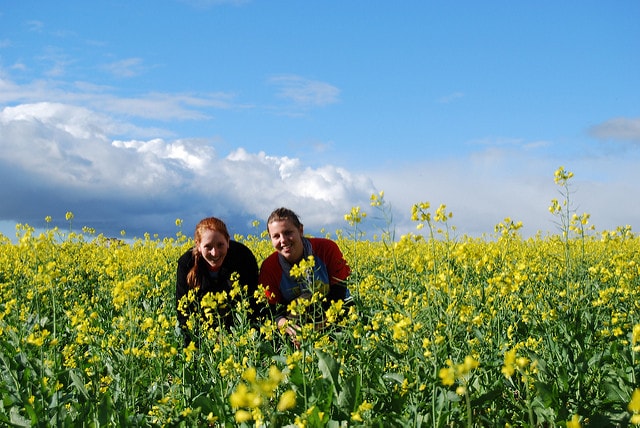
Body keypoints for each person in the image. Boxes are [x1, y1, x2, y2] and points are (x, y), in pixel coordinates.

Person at [259, 207, 353, 346]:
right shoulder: (269, 267)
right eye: (276, 236)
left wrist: (317, 330)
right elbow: (273, 313)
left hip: (337, 315)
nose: (283, 240)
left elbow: (339, 295)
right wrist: (291, 329)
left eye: (288, 232)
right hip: (297, 325)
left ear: (300, 230)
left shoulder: (327, 249)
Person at [176, 217, 261, 348]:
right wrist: (198, 343)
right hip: (203, 336)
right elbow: (183, 312)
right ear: (198, 245)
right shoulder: (186, 264)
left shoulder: (243, 257)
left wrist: (238, 338)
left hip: (239, 336)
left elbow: (253, 303)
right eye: (208, 247)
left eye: (220, 245)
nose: (215, 253)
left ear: (228, 241)